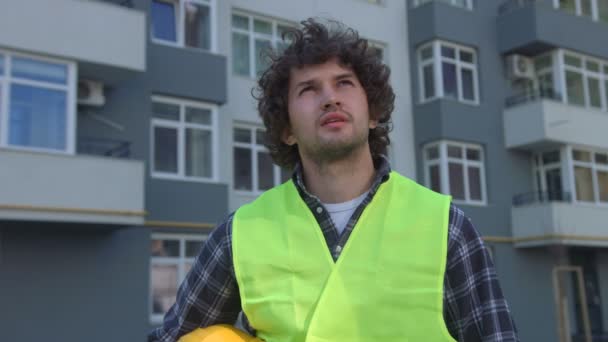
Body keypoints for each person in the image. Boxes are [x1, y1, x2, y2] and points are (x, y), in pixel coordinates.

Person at [149, 18, 519, 342]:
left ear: (373, 113)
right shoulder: (240, 234)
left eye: (344, 83)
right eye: (308, 89)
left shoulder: (446, 226)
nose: (330, 98)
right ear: (287, 131)